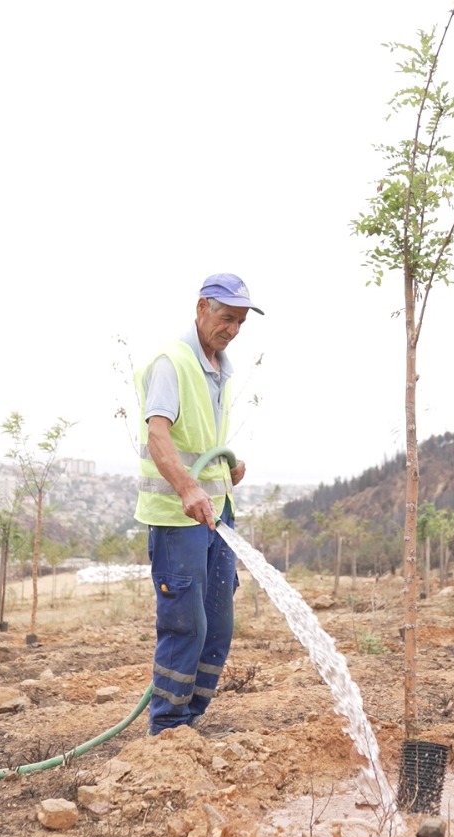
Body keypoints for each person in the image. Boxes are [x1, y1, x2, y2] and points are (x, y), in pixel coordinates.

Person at [133, 272, 262, 735]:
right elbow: (158, 435)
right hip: (178, 517)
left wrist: (227, 468)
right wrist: (188, 488)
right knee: (185, 625)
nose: (233, 329)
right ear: (202, 307)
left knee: (218, 626)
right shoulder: (171, 363)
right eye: (227, 317)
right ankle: (167, 728)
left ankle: (190, 721)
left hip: (216, 515)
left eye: (241, 321)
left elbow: (200, 443)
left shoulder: (220, 367)